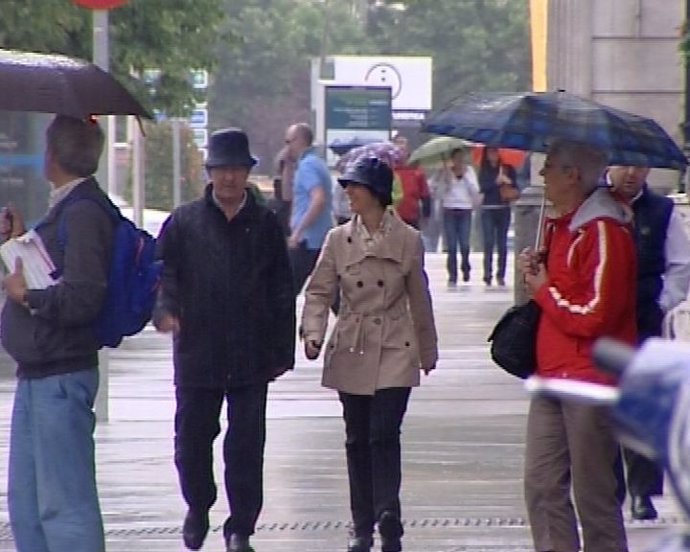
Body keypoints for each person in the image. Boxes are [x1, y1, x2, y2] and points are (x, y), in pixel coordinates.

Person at [153, 128, 295, 552]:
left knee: (247, 444)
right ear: (210, 173)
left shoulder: (265, 222)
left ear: (247, 172)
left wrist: (281, 351)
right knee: (192, 441)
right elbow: (165, 274)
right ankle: (198, 505)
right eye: (221, 170)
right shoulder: (185, 222)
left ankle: (241, 528)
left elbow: (281, 289)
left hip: (251, 352)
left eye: (236, 170)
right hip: (199, 350)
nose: (229, 178)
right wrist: (165, 310)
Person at [300, 156, 438, 552]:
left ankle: (387, 512)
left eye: (354, 187)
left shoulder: (408, 240)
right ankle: (362, 524)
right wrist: (313, 333)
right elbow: (319, 290)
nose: (348, 194)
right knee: (357, 437)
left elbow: (419, 298)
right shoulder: (338, 239)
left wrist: (427, 350)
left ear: (375, 192)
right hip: (353, 344)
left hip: (396, 343)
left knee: (384, 433)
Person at [0, 115, 115, 552]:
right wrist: (20, 242)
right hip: (40, 373)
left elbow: (83, 296)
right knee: (28, 506)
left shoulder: (84, 212)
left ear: (51, 156)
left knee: (64, 506)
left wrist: (27, 296)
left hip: (61, 377)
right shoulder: (68, 207)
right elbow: (57, 270)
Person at [518, 140, 637, 552]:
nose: (542, 176)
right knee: (542, 484)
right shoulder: (559, 226)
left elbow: (596, 315)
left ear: (573, 175)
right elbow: (551, 297)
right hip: (551, 373)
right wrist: (536, 274)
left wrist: (543, 291)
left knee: (593, 494)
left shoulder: (604, 232)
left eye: (549, 167)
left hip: (589, 377)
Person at [608, 164, 690, 520]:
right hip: (601, 323)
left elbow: (680, 265)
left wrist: (662, 304)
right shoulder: (593, 206)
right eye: (624, 165)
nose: (631, 174)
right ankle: (610, 488)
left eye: (639, 167)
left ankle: (643, 490)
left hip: (644, 322)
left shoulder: (661, 211)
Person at [285, 122, 333, 295]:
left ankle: (281, 323)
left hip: (307, 241)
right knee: (330, 293)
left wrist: (298, 232)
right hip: (320, 238)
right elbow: (287, 196)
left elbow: (318, 200)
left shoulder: (307, 166)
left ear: (299, 140)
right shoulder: (317, 162)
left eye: (288, 141)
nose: (287, 147)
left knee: (286, 291)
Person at [432, 147, 482, 285]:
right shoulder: (444, 172)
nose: (458, 161)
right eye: (456, 158)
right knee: (452, 245)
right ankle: (452, 274)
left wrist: (465, 176)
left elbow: (475, 190)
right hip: (449, 209)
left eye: (461, 158)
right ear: (452, 159)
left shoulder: (469, 171)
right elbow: (438, 193)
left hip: (465, 209)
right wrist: (445, 180)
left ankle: (465, 267)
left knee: (465, 244)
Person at [478, 147, 518, 286]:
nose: (493, 155)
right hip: (488, 208)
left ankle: (501, 274)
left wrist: (508, 181)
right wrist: (496, 182)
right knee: (489, 242)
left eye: (495, 151)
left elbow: (516, 188)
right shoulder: (484, 170)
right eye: (490, 152)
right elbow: (482, 187)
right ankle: (487, 273)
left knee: (502, 243)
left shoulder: (507, 169)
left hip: (503, 208)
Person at [392, 135, 431, 229]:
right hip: (392, 216)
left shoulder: (416, 169)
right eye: (398, 143)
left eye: (402, 143)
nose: (400, 146)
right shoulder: (389, 168)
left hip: (412, 215)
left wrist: (427, 213)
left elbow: (425, 193)